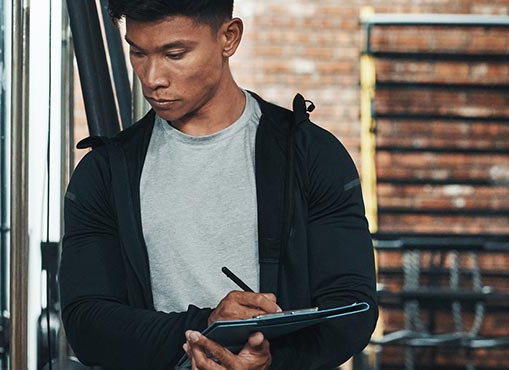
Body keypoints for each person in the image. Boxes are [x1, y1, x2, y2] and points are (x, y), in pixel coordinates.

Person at [59, 0, 378, 369]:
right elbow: (87, 322)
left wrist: (266, 358)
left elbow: (352, 310)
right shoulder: (104, 173)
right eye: (138, 53)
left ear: (229, 37)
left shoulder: (312, 156)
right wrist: (205, 328)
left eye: (174, 54)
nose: (152, 77)